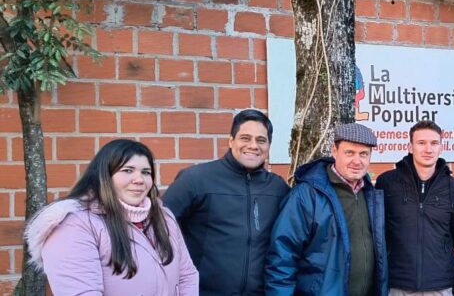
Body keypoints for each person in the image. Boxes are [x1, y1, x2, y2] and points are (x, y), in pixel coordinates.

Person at [24, 139, 199, 295]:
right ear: (104, 176)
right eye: (128, 170)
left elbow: (187, 275)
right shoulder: (74, 225)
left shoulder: (163, 216)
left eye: (146, 172)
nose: (139, 179)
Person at [164, 109, 290, 295]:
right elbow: (158, 227)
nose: (253, 145)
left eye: (261, 140)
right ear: (231, 141)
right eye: (245, 138)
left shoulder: (277, 188)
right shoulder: (196, 179)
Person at [266, 123, 388, 295]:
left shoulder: (370, 193)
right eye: (349, 153)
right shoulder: (307, 195)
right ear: (334, 151)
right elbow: (282, 258)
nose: (357, 161)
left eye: (363, 154)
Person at [375, 121, 454, 296]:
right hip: (398, 284)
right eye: (421, 143)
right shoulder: (387, 183)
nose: (428, 149)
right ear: (410, 147)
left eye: (434, 143)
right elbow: (379, 232)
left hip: (440, 285)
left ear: (441, 147)